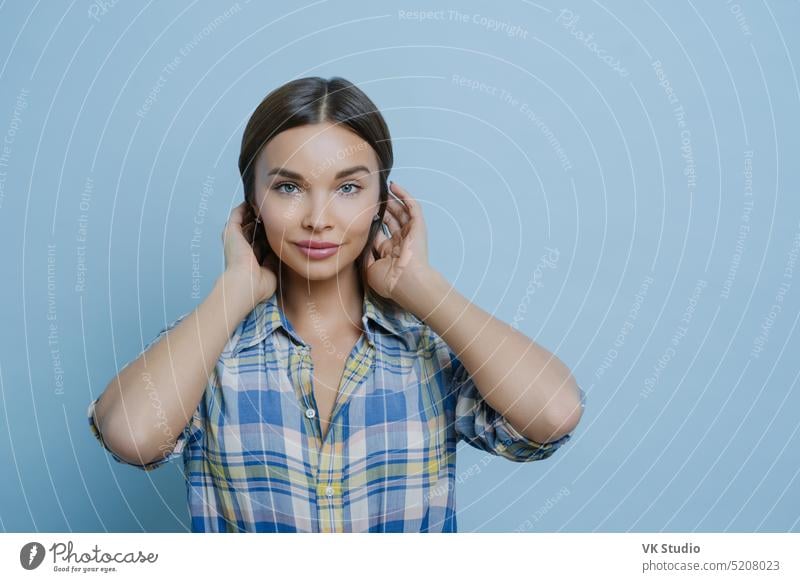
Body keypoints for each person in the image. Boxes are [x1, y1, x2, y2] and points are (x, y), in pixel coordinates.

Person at [87, 76, 586, 533]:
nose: (319, 219)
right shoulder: (207, 346)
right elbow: (130, 435)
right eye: (288, 187)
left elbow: (554, 413)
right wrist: (235, 287)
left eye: (348, 187)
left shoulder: (430, 347)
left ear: (382, 201)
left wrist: (422, 285)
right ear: (252, 203)